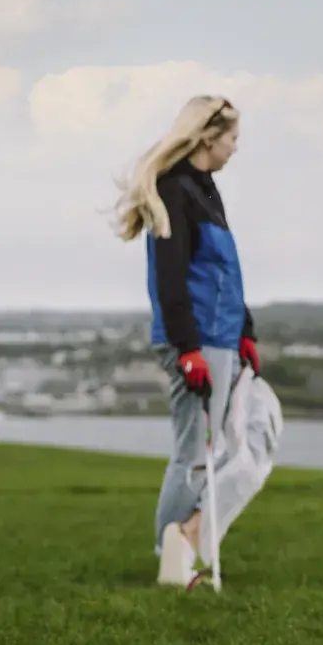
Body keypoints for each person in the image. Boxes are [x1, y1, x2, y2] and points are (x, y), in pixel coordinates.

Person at [115, 95, 262, 588]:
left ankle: (186, 548)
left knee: (215, 448)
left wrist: (245, 332)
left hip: (221, 339)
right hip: (196, 343)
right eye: (232, 139)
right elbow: (170, 281)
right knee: (193, 452)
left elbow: (226, 275)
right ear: (207, 137)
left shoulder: (207, 192)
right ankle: (169, 557)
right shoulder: (175, 193)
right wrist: (188, 348)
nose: (235, 149)